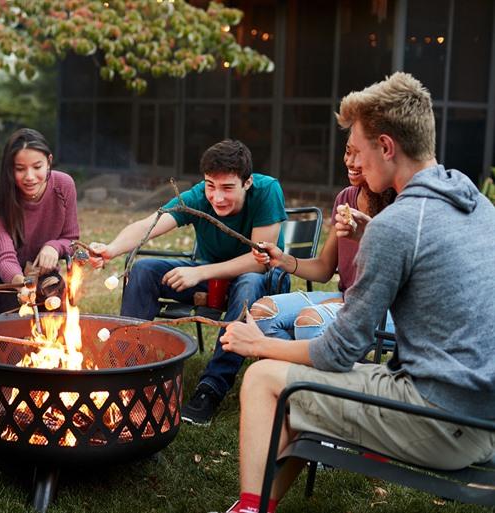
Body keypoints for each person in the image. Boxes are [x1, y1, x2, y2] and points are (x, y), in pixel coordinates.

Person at [219, 72, 495, 513]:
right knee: (303, 398)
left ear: (387, 147)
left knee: (263, 379)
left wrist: (259, 345)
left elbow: (337, 353)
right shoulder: (476, 203)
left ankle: (250, 510)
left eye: (360, 151)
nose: (356, 164)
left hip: (442, 423)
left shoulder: (398, 224)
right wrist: (377, 233)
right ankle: (255, 505)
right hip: (481, 413)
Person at [90, 139, 289, 426]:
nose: (217, 197)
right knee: (145, 269)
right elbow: (149, 224)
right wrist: (111, 249)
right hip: (212, 280)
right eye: (211, 185)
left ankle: (211, 388)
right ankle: (126, 369)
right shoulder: (197, 197)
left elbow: (260, 260)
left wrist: (200, 273)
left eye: (227, 188)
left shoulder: (267, 190)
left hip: (263, 283)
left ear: (247, 183)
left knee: (247, 283)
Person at [249, 143, 396, 342]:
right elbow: (324, 268)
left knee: (310, 321)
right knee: (263, 313)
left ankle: (312, 367)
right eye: (347, 152)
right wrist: (281, 259)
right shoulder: (345, 198)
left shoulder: (400, 205)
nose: (349, 162)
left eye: (359, 154)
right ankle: (303, 367)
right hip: (347, 299)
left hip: (388, 311)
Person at [0, 128, 79, 313]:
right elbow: (4, 255)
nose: (29, 177)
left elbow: (72, 239)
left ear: (49, 162)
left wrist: (54, 246)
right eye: (20, 169)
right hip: (6, 281)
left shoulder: (64, 185)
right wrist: (22, 284)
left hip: (45, 276)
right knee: (15, 323)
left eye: (37, 167)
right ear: (10, 169)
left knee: (57, 313)